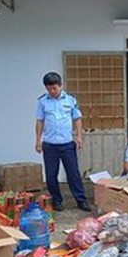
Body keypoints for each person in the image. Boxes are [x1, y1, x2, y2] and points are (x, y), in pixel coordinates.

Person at [34, 72, 88, 212]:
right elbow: (40, 121)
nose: (52, 91)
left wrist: (79, 136)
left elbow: (77, 119)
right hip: (49, 144)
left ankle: (81, 200)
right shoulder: (42, 101)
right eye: (49, 89)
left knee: (73, 174)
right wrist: (38, 140)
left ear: (60, 85)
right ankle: (57, 201)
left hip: (67, 144)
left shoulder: (71, 100)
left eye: (54, 88)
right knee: (51, 175)